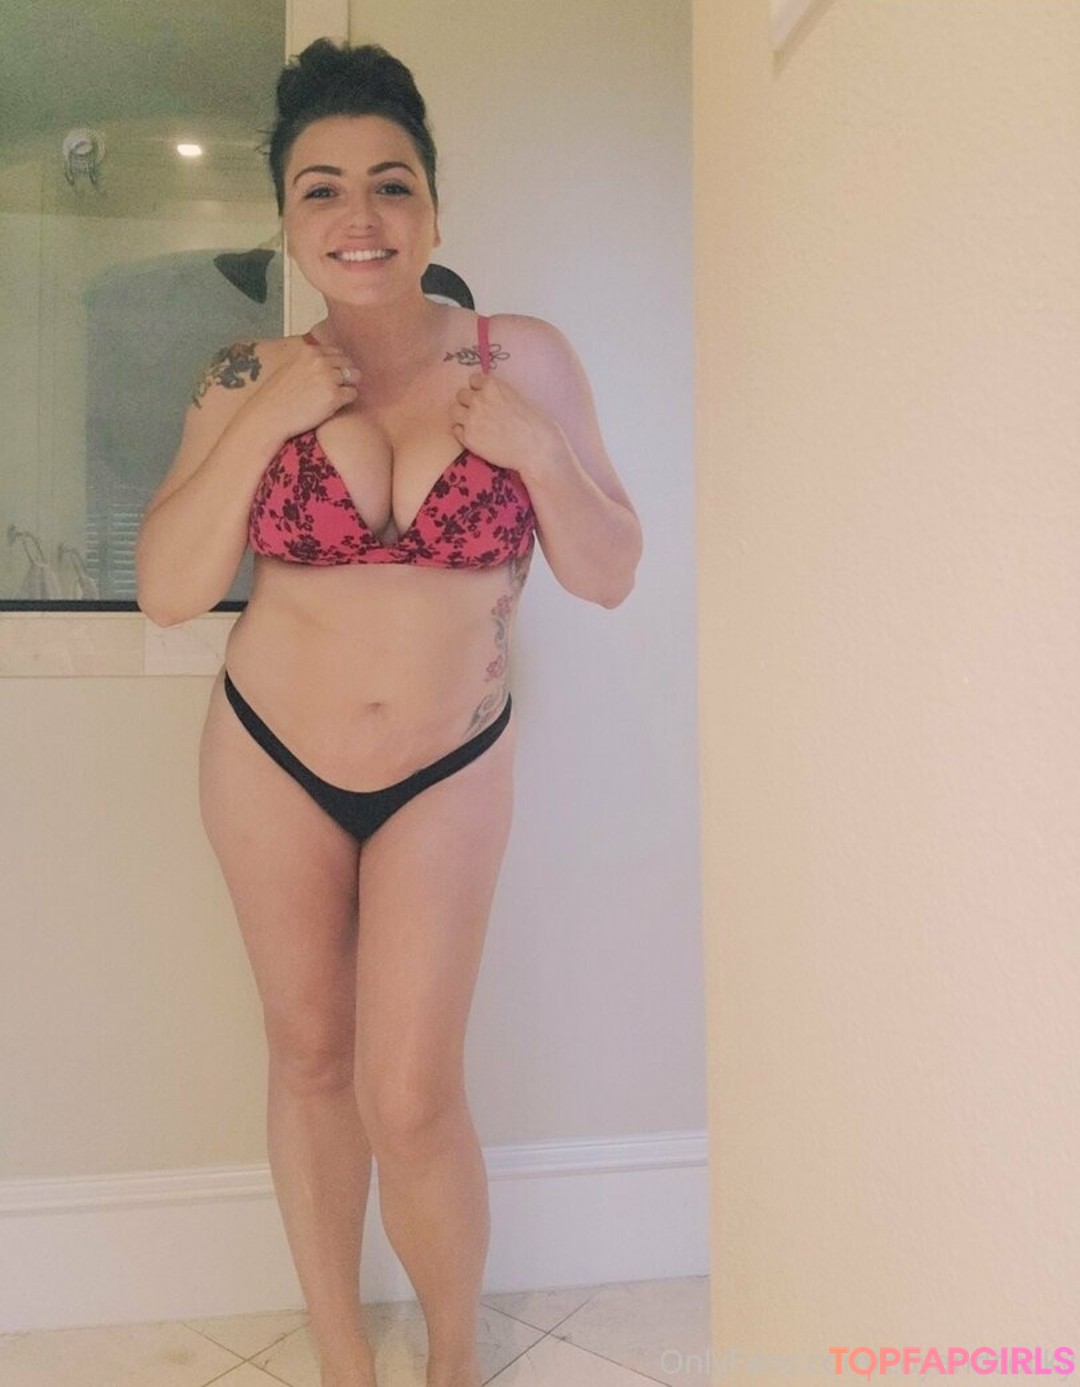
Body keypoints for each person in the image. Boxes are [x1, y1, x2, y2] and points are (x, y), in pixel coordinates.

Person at [135, 37, 642, 1387]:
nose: (359, 216)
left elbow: (609, 572)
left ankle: (453, 1357)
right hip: (269, 760)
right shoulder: (245, 374)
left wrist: (539, 452)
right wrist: (266, 422)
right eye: (322, 189)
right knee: (310, 1061)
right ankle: (344, 1360)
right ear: (286, 218)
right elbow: (170, 591)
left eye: (390, 183)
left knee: (410, 1093)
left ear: (432, 207)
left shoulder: (522, 359)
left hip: (449, 765)